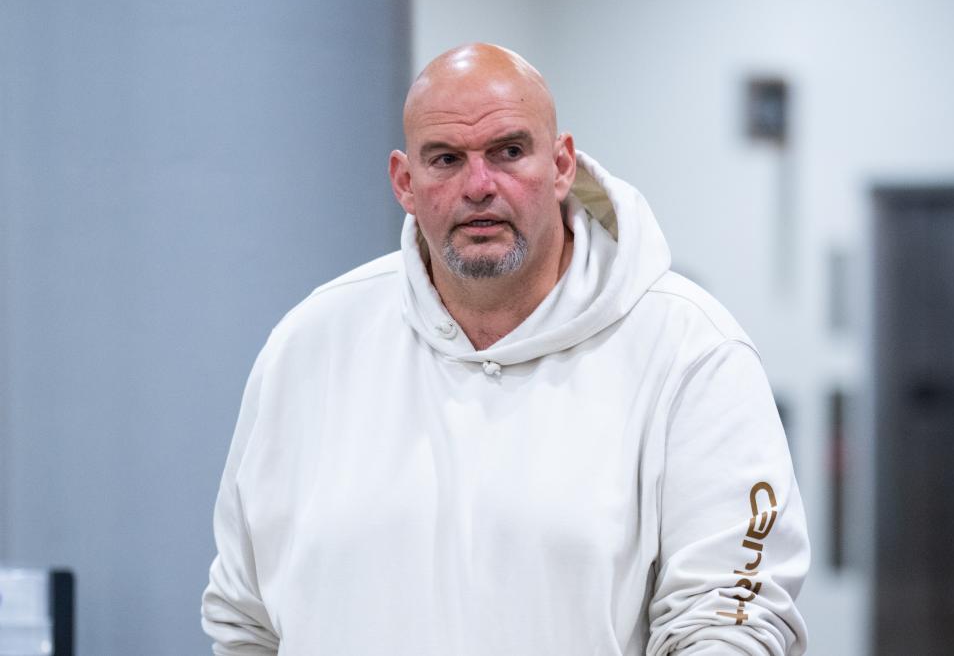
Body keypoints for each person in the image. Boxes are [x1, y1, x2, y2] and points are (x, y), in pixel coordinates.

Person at [201, 43, 810, 655]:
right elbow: (244, 621)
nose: (479, 185)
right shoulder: (309, 349)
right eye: (445, 159)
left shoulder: (691, 351)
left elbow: (731, 623)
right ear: (404, 182)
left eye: (509, 152)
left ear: (563, 164)